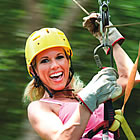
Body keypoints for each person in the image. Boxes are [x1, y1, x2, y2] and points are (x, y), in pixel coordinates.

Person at [23, 13, 140, 140]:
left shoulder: (89, 94)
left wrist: (109, 38)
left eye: (60, 57)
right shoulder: (39, 107)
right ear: (34, 71)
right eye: (45, 61)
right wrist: (88, 100)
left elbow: (131, 77)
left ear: (68, 61)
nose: (54, 66)